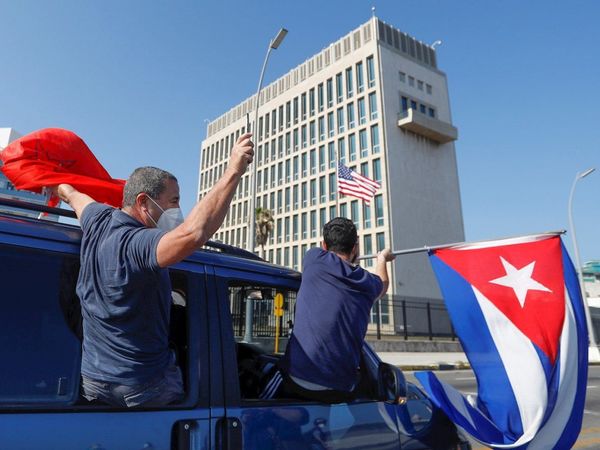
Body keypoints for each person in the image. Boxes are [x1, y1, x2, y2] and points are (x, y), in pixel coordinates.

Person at [53, 133, 254, 407]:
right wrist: (233, 170)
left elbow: (73, 195)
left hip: (92, 381)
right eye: (174, 201)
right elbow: (193, 234)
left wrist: (59, 186)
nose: (178, 209)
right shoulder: (139, 244)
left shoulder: (96, 219)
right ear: (143, 202)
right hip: (143, 386)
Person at [261, 217, 395, 403]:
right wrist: (382, 259)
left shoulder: (314, 258)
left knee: (260, 390)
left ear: (324, 245)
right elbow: (383, 284)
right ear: (355, 247)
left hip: (298, 379)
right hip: (341, 389)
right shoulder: (367, 283)